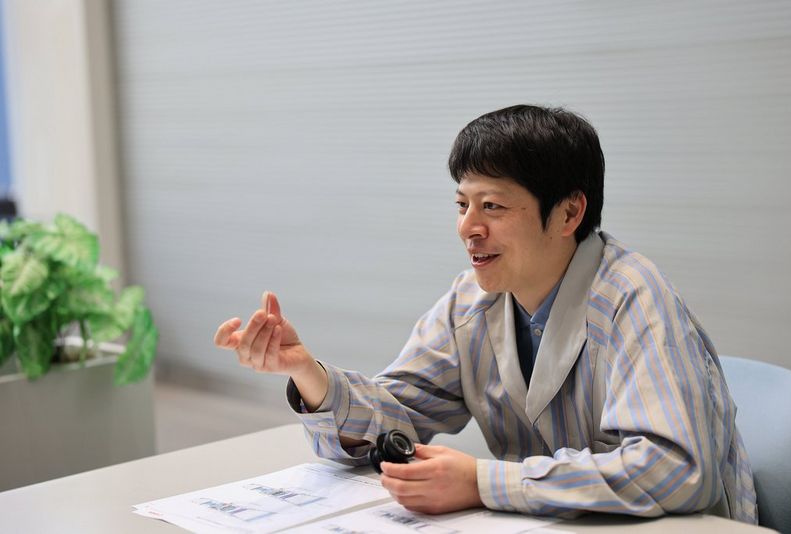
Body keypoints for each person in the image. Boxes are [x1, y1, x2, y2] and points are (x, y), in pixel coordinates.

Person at [214, 105, 757, 523]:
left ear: (569, 212)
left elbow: (675, 471)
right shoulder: (469, 302)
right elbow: (396, 418)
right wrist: (307, 373)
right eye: (462, 204)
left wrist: (485, 483)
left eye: (492, 206)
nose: (468, 227)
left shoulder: (633, 294)